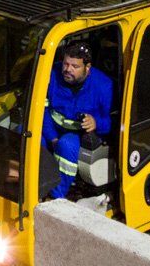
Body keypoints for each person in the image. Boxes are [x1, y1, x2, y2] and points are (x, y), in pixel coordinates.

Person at [41, 41, 112, 201]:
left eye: (75, 66)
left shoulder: (103, 86)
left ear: (87, 68)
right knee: (27, 137)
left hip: (78, 136)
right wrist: (52, 137)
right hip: (51, 128)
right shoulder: (51, 74)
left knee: (66, 146)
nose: (67, 69)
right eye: (66, 64)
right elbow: (42, 110)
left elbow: (112, 122)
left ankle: (56, 198)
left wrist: (96, 122)